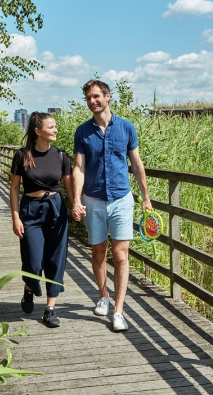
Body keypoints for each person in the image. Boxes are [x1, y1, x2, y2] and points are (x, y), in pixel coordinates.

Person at [72, 80, 152, 332]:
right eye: (88, 98)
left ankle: (119, 311)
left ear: (108, 97)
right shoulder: (82, 132)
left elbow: (137, 165)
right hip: (93, 200)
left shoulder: (127, 127)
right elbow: (79, 168)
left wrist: (146, 199)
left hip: (121, 199)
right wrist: (76, 199)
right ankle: (103, 296)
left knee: (120, 255)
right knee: (98, 253)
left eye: (96, 96)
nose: (92, 101)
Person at [10, 111, 74, 328]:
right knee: (34, 261)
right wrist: (15, 217)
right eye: (51, 127)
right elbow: (15, 188)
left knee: (56, 259)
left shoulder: (61, 156)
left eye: (55, 126)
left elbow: (69, 184)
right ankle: (29, 287)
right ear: (37, 131)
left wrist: (76, 205)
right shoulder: (22, 156)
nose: (55, 130)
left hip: (56, 210)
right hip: (31, 210)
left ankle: (50, 309)